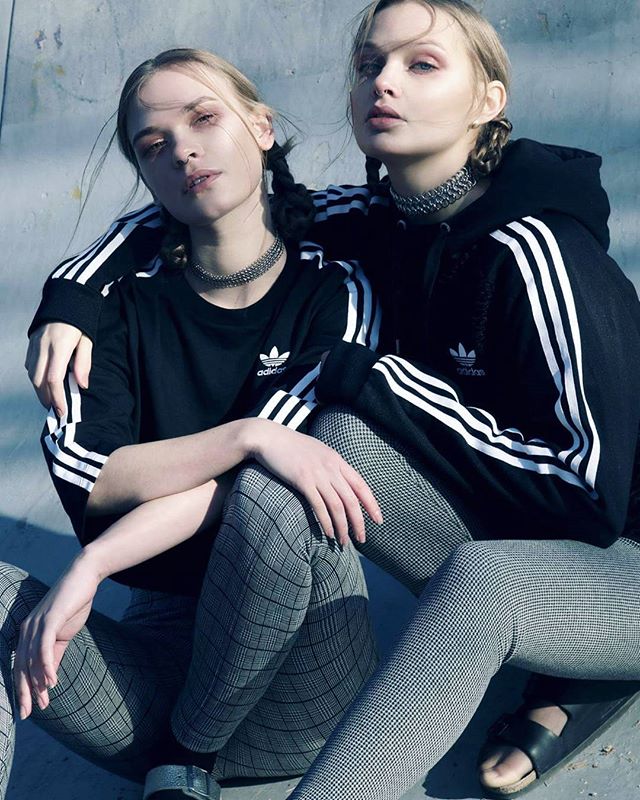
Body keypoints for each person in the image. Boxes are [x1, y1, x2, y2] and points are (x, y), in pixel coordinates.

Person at [25, 1, 640, 798]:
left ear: (489, 99)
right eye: (367, 65)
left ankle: (584, 674)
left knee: (471, 570)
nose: (384, 82)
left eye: (421, 64)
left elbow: (589, 501)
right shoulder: (380, 227)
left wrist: (379, 381)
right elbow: (210, 206)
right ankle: (577, 670)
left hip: (612, 554)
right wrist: (73, 293)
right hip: (522, 541)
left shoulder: (533, 249)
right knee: (333, 441)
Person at [4, 47, 384, 800]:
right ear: (147, 177)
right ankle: (173, 756)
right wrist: (249, 434)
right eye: (153, 145)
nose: (181, 147)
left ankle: (186, 761)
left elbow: (263, 481)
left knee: (278, 493)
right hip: (152, 680)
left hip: (302, 686)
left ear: (262, 127)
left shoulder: (336, 288)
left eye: (204, 118)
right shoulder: (109, 308)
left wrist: (93, 564)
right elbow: (93, 476)